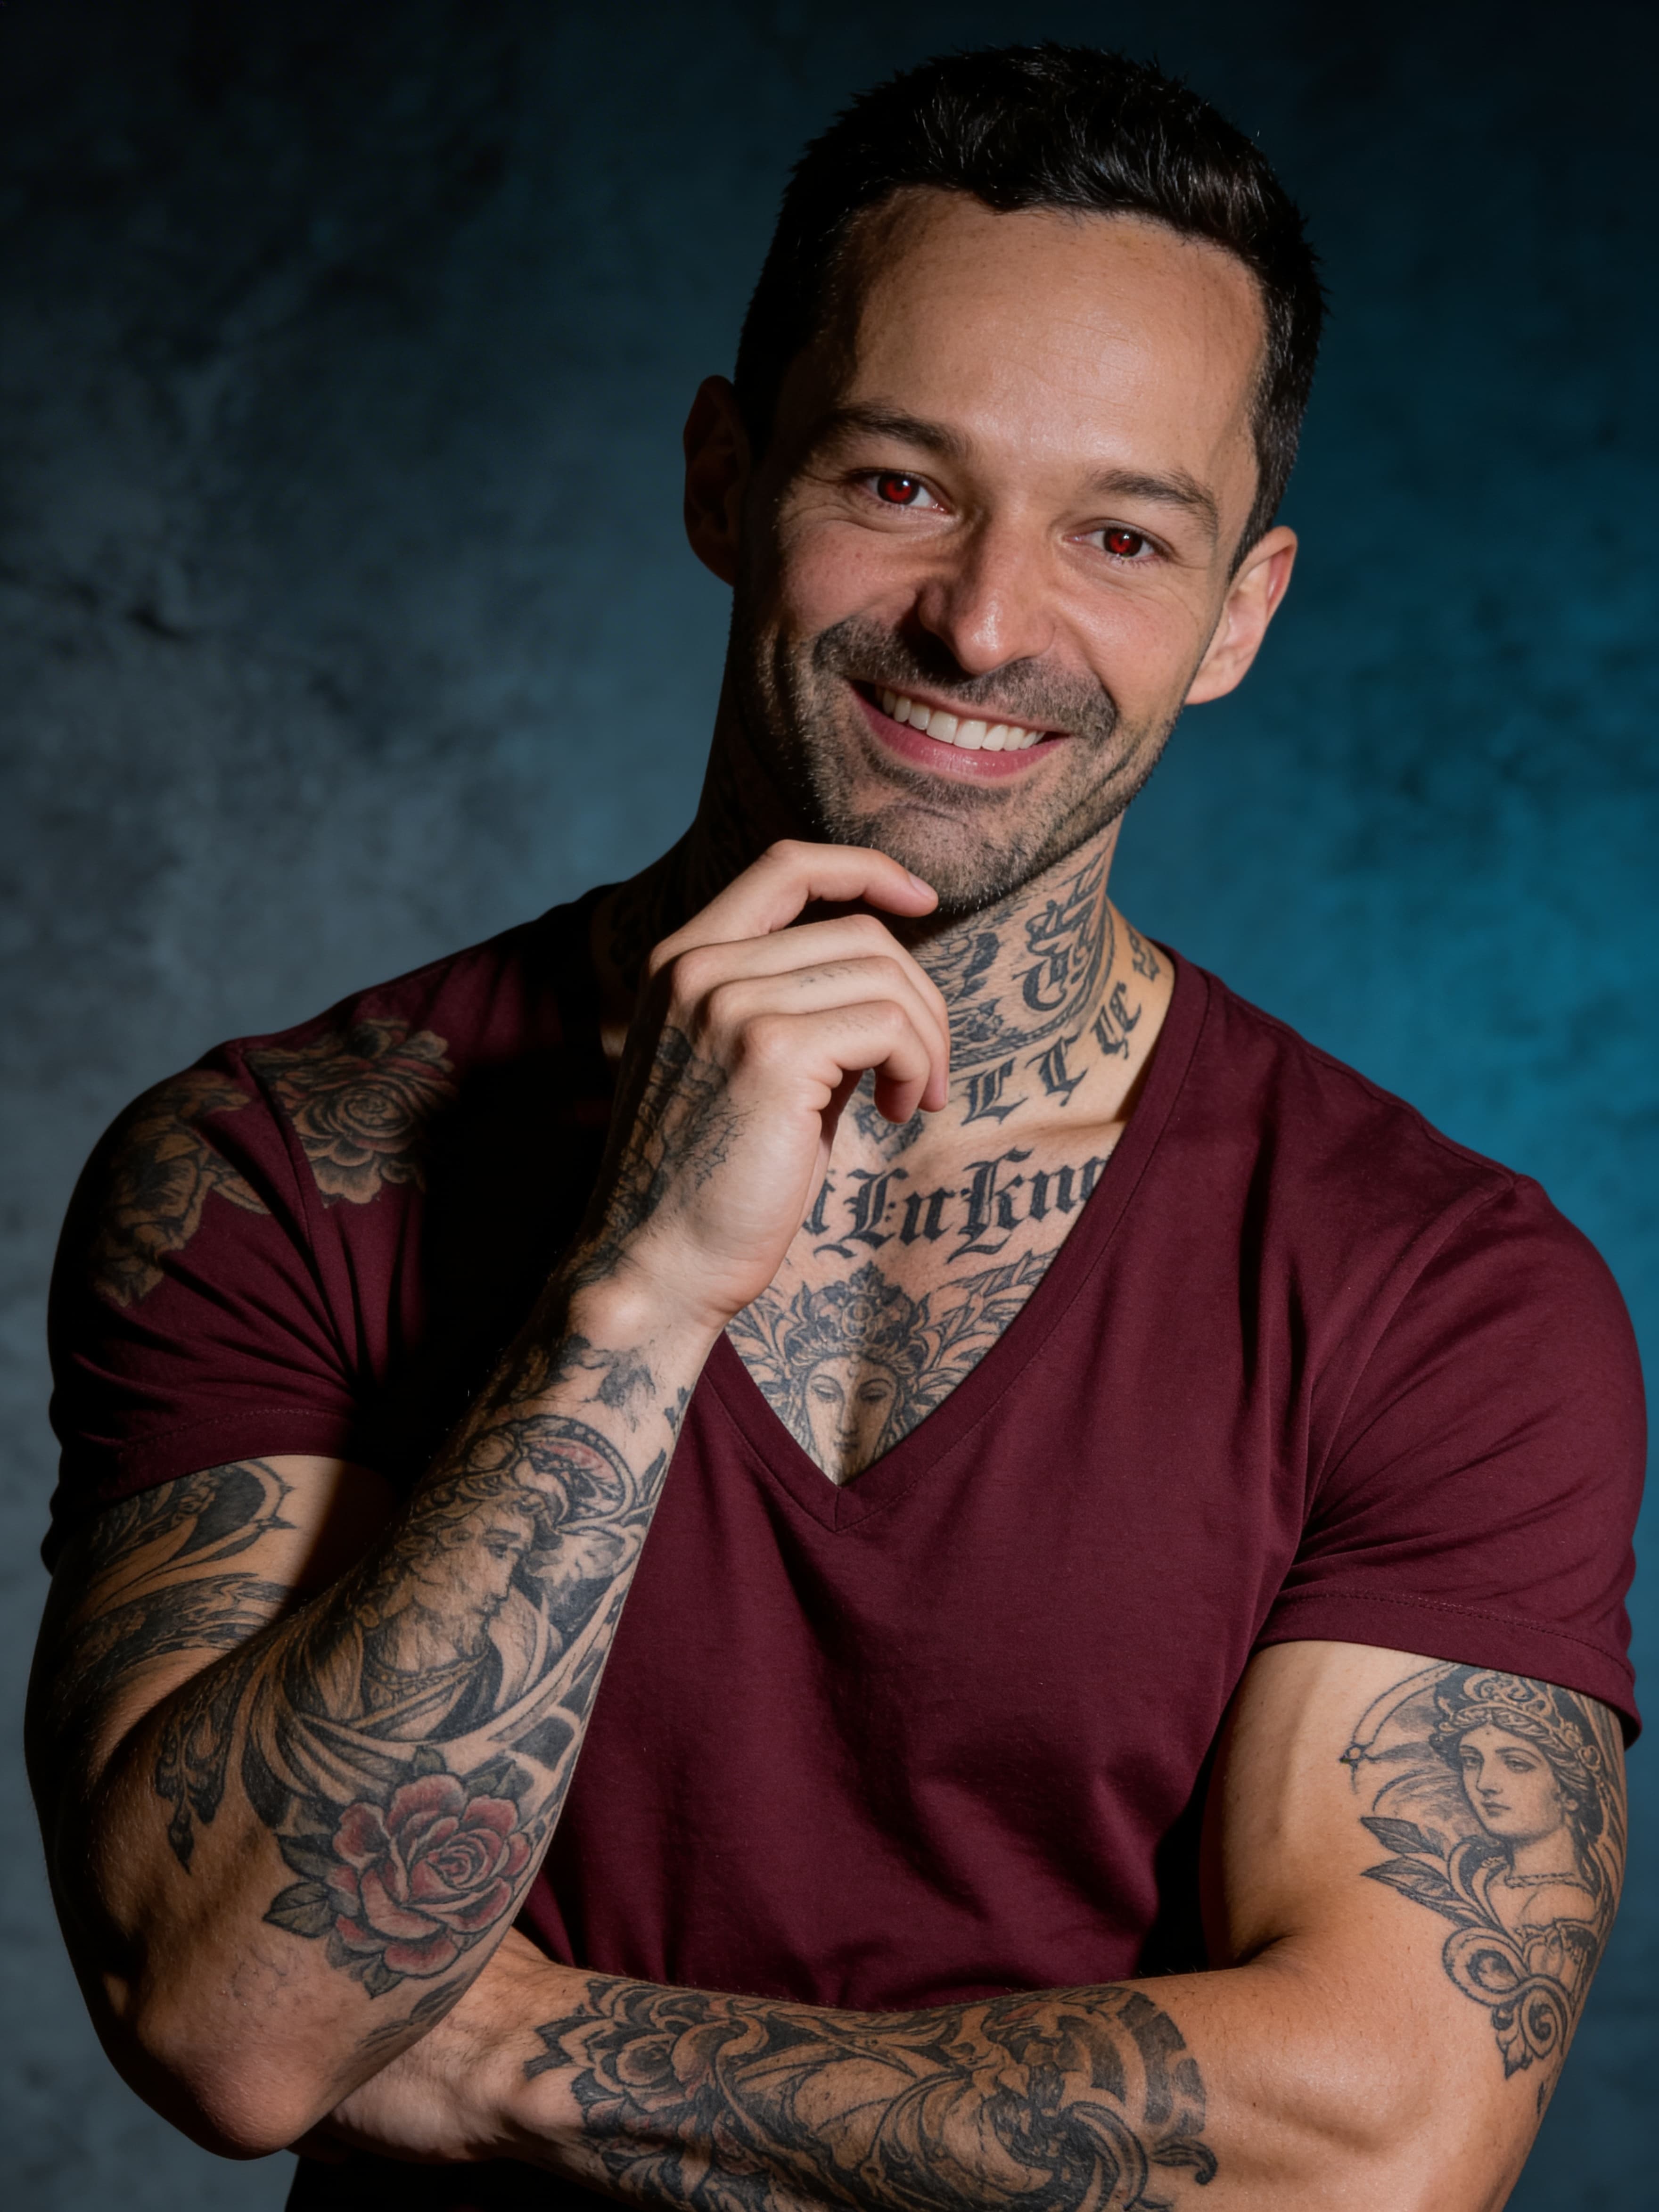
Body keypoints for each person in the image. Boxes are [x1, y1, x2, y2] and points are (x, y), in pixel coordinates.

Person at [27, 42, 1642, 2212]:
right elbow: (234, 2024)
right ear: (723, 477)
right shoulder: (272, 1170)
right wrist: (631, 1297)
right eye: (895, 483)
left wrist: (514, 2067)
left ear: (1237, 614)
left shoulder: (1437, 1288)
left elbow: (1382, 2141)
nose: (985, 622)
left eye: (1120, 533)